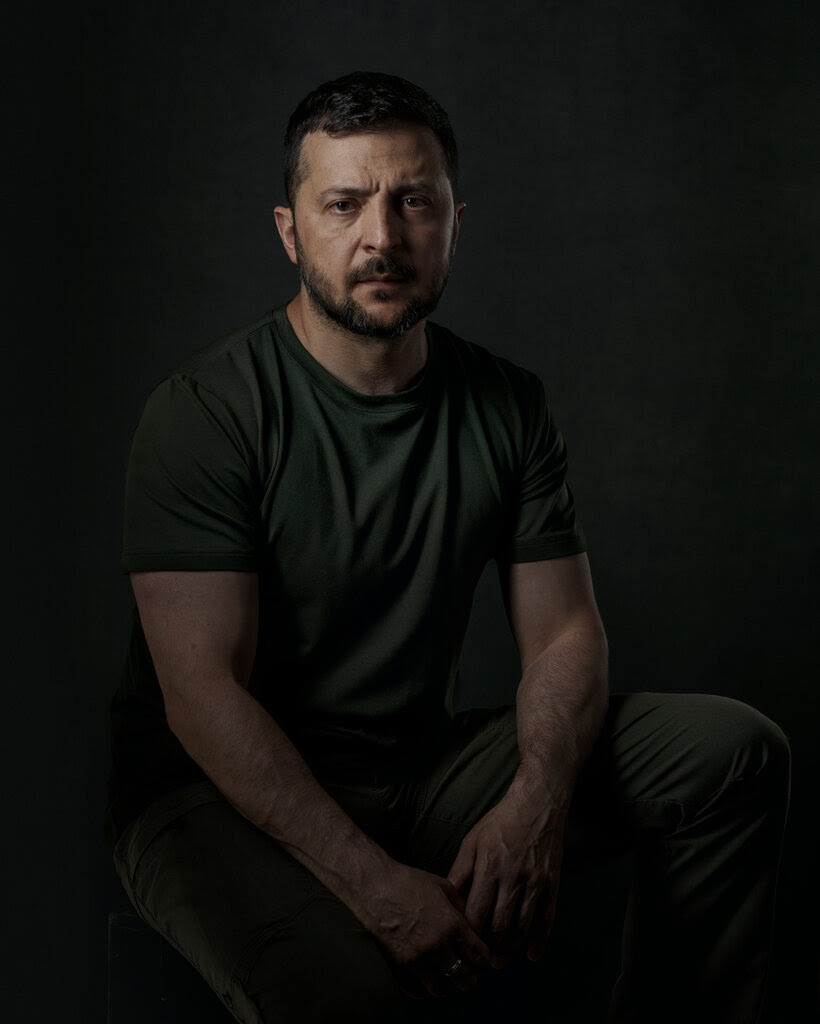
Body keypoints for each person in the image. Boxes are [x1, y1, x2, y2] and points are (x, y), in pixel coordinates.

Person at [106, 71, 790, 1023]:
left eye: (412, 202)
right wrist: (376, 888)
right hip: (211, 800)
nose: (382, 238)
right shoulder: (207, 413)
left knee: (732, 753)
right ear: (290, 230)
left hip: (416, 769)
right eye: (344, 204)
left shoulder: (507, 404)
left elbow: (563, 638)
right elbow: (202, 698)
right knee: (356, 1000)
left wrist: (536, 801)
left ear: (453, 222)